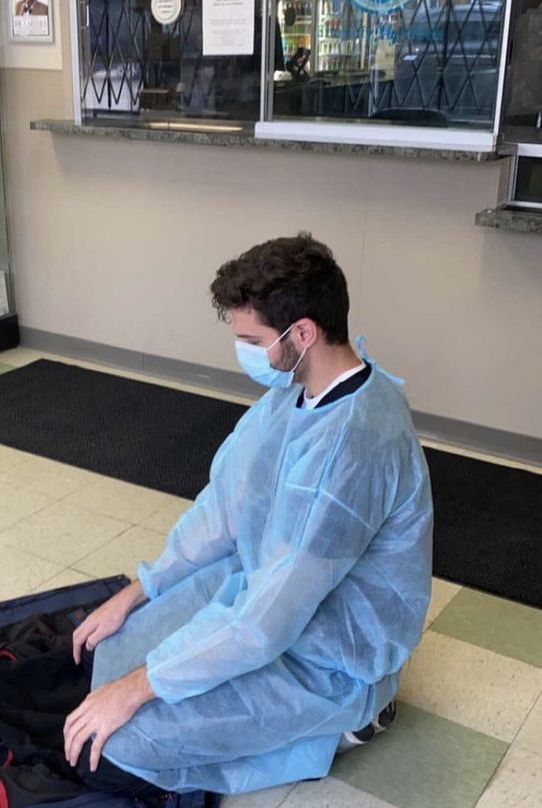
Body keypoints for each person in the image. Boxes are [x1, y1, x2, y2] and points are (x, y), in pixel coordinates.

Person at [63, 233, 433, 796]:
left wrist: (142, 687)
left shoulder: (354, 445)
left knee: (122, 741)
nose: (243, 352)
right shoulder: (295, 392)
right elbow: (222, 511)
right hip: (270, 593)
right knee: (111, 656)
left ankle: (347, 724)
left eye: (251, 340)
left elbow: (266, 624)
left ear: (302, 333)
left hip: (328, 657)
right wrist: (138, 591)